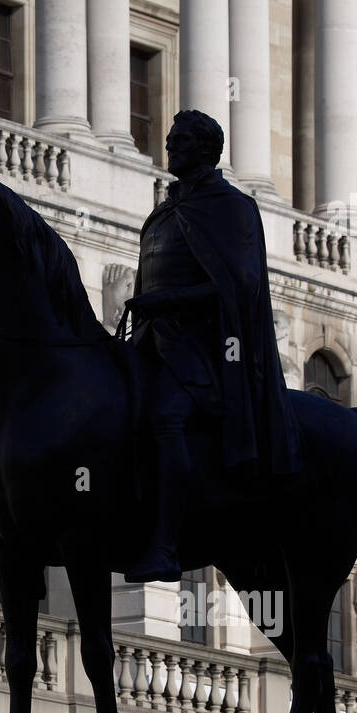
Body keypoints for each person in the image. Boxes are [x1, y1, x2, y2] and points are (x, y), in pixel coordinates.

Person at [122, 110, 302, 583]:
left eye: (180, 140)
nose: (170, 147)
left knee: (166, 418)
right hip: (152, 340)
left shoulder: (231, 207)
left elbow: (240, 285)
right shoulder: (165, 209)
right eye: (170, 139)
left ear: (206, 148)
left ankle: (163, 543)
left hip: (205, 353)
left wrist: (168, 299)